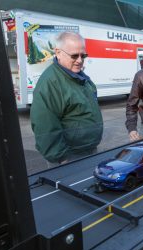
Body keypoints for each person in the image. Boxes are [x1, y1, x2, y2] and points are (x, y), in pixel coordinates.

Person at [30, 32, 103, 164]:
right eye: (74, 55)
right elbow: (45, 127)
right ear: (58, 52)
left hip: (88, 151)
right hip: (69, 157)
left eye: (83, 55)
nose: (80, 60)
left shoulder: (80, 77)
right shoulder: (50, 83)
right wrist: (63, 159)